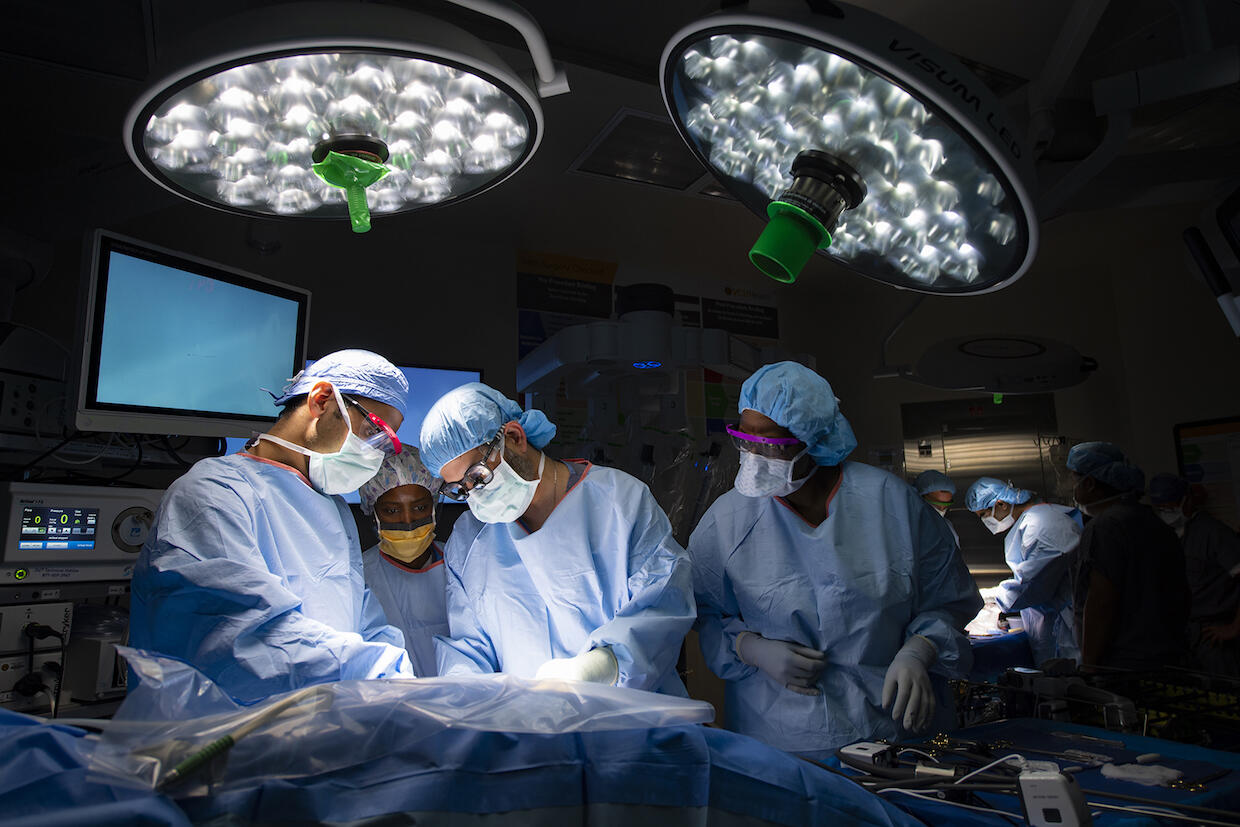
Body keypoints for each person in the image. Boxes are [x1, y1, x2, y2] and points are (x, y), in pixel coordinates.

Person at [688, 362, 981, 760]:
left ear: (813, 439)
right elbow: (704, 613)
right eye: (744, 438)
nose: (754, 456)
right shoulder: (726, 521)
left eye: (771, 444)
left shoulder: (890, 502)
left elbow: (948, 600)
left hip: (890, 731)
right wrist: (748, 647)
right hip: (779, 739)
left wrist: (921, 648)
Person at [130, 349, 415, 703]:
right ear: (321, 400)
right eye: (372, 431)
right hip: (225, 730)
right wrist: (378, 673)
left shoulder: (334, 511)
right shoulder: (214, 493)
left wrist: (398, 686)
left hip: (316, 719)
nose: (374, 453)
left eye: (384, 444)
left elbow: (362, 622)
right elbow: (243, 644)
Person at [418, 382, 695, 695]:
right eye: (461, 489)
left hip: (626, 713)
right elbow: (468, 647)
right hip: (526, 721)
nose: (475, 497)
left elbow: (662, 605)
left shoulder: (620, 502)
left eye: (478, 476)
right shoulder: (470, 540)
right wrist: (469, 700)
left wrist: (601, 667)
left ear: (514, 438)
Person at [1068, 442, 1189, 670]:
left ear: (1090, 483)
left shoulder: (1105, 527)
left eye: (1074, 479)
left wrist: (1090, 666)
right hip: (1167, 653)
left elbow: (1102, 601)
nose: (1071, 487)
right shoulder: (1151, 520)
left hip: (1124, 663)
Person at [965, 477, 1082, 665]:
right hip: (1053, 621)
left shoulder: (1041, 525)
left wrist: (990, 597)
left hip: (1067, 627)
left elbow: (1034, 585)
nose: (985, 521)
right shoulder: (1032, 522)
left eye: (983, 514)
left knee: (1070, 674)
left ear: (1001, 504)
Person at [358, 448, 449, 678]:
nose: (408, 522)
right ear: (374, 513)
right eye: (392, 510)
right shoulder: (359, 577)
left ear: (434, 507)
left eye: (419, 508)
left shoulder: (460, 563)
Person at [1150, 473, 1240, 676]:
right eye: (1161, 509)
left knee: (1224, 689)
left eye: (1171, 508)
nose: (1166, 513)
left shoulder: (1214, 533)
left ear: (1188, 500)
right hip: (1183, 634)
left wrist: (1234, 627)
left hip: (1213, 635)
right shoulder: (1166, 536)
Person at [915, 469, 961, 546]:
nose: (941, 509)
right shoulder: (908, 526)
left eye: (946, 505)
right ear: (920, 499)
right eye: (936, 504)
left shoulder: (947, 526)